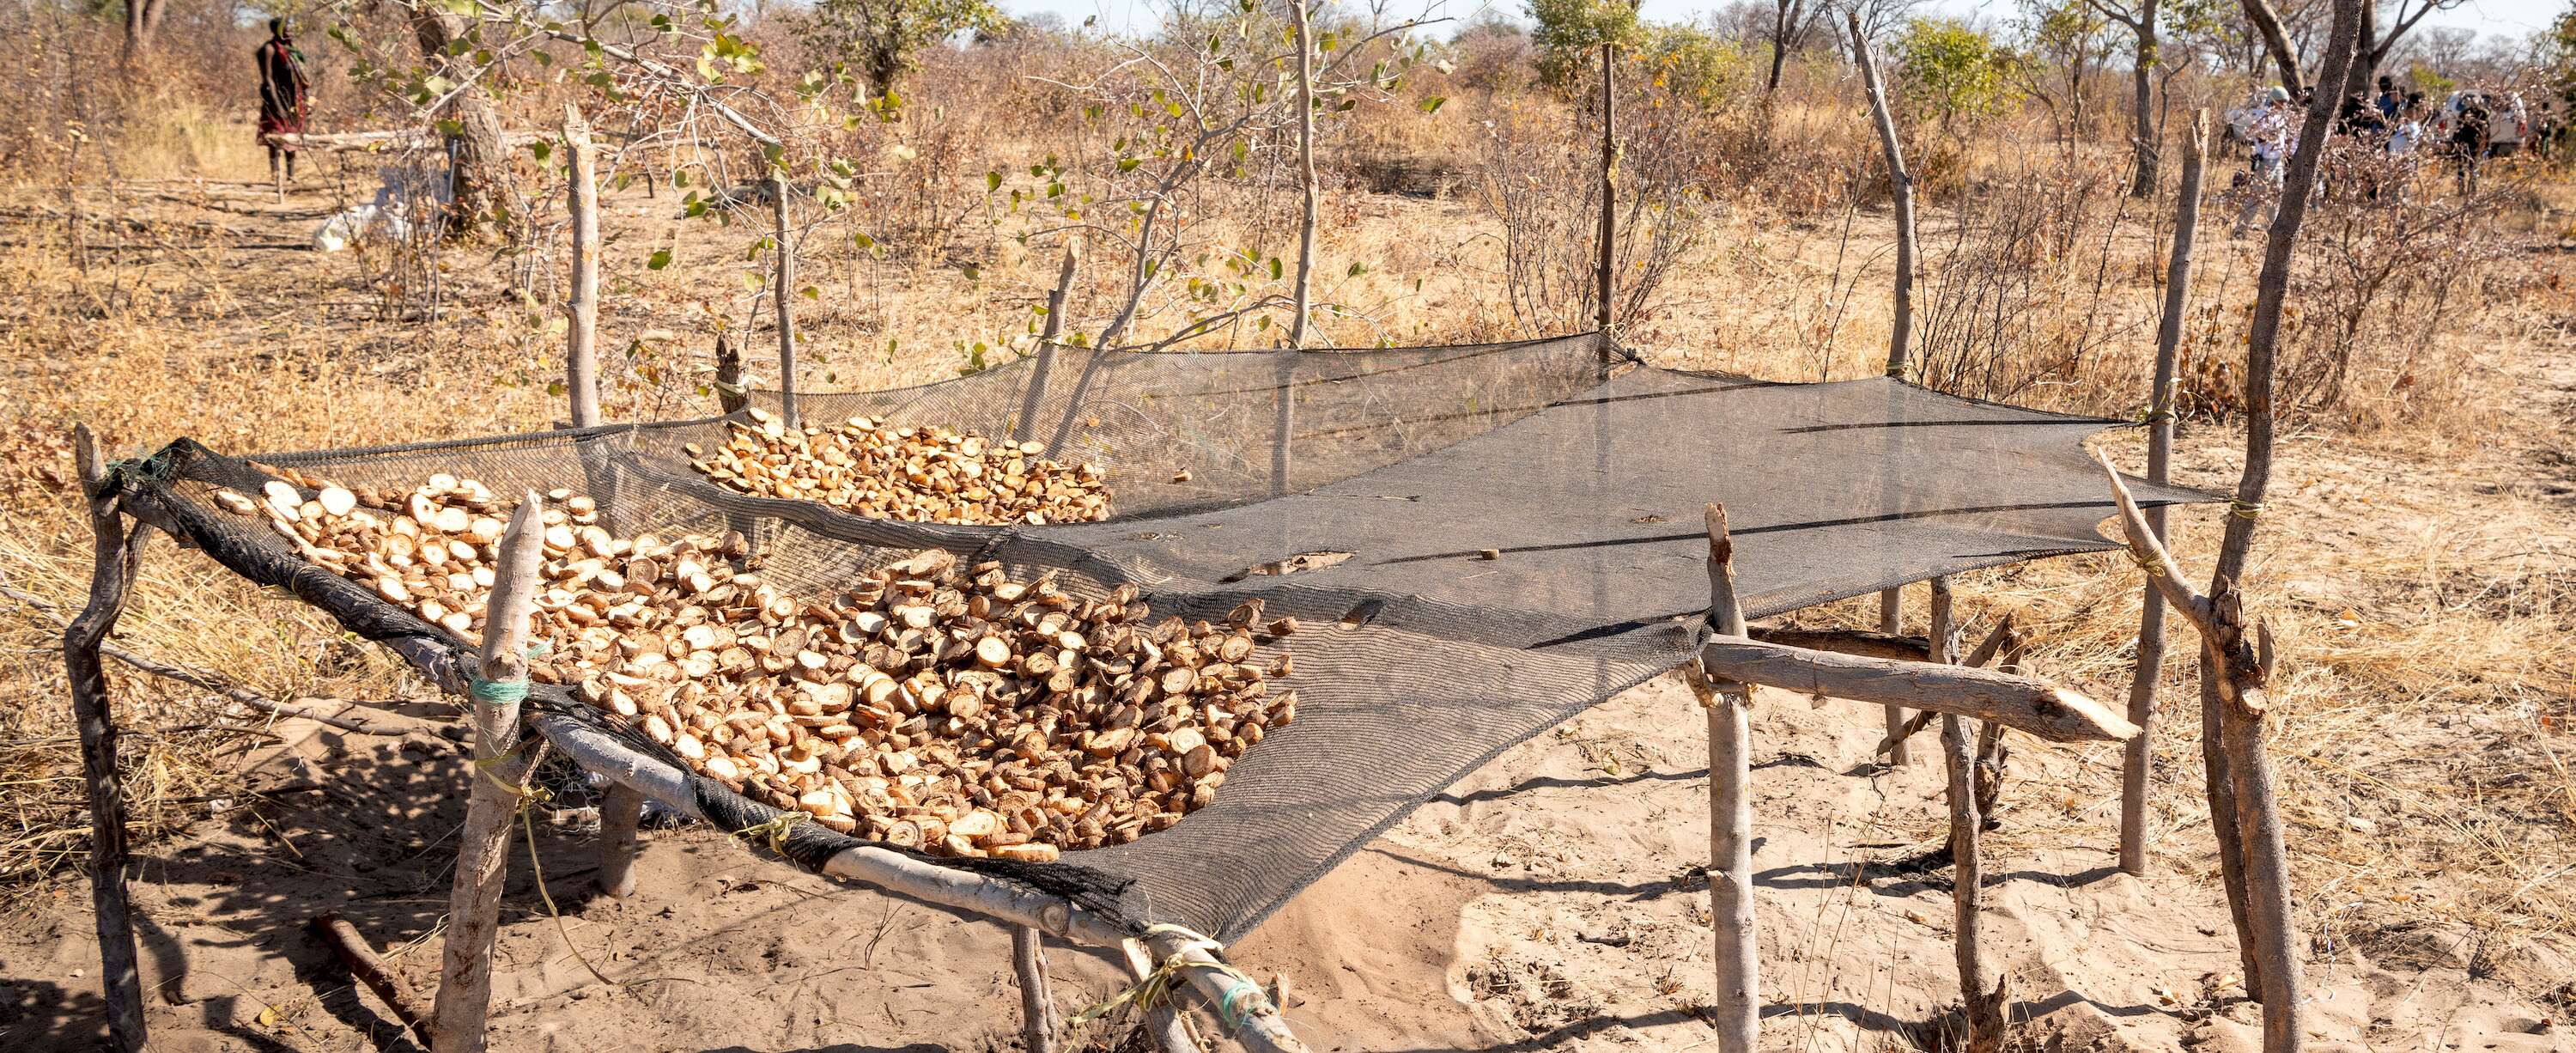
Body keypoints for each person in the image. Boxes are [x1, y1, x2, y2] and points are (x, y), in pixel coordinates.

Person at [2235, 87, 2299, 234]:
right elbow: (2259, 138)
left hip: (2278, 162)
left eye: (2285, 102)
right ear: (2274, 100)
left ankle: (2273, 230)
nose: (2284, 105)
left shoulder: (2281, 116)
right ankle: (2240, 229)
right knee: (2257, 197)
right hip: (2265, 163)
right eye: (2281, 102)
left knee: (2276, 197)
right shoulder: (2263, 116)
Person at [257, 19, 311, 191]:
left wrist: (306, 100)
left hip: (294, 100)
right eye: (287, 30)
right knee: (275, 136)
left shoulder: (292, 51)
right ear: (277, 30)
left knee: (292, 136)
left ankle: (291, 175)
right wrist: (278, 106)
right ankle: (275, 175)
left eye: (292, 30)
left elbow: (301, 79)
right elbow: (268, 80)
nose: (290, 33)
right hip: (275, 99)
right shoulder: (269, 49)